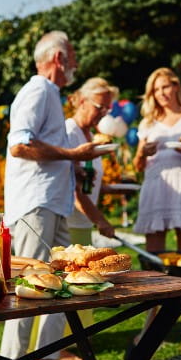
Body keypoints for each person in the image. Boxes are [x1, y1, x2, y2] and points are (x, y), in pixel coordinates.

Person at [0, 30, 104, 360]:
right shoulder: (38, 89)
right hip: (36, 205)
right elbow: (20, 144)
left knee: (62, 286)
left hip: (52, 206)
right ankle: (13, 358)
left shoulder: (50, 93)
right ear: (58, 58)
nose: (75, 62)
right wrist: (73, 153)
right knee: (30, 289)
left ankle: (45, 357)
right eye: (72, 55)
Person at [131, 67, 181, 350]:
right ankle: (150, 330)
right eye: (156, 89)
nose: (162, 94)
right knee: (154, 266)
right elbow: (137, 165)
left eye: (166, 87)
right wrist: (143, 152)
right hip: (156, 190)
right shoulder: (148, 123)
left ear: (176, 86)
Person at [66, 77, 119, 244]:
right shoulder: (70, 132)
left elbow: (87, 180)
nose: (103, 113)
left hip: (84, 223)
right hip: (70, 223)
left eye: (107, 109)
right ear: (82, 101)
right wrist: (100, 221)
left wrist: (111, 189)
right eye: (99, 107)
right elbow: (72, 187)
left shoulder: (91, 135)